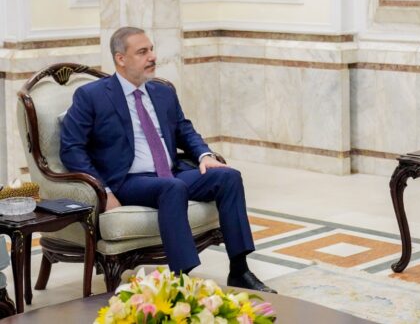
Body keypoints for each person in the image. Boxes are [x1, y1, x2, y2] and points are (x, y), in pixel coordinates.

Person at [60, 26, 276, 293]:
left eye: (151, 49)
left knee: (228, 177)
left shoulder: (162, 92)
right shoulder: (92, 96)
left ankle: (240, 270)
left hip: (171, 173)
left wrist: (205, 155)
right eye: (142, 52)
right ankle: (181, 280)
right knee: (172, 188)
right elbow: (71, 148)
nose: (152, 56)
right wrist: (103, 191)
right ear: (121, 58)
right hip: (128, 181)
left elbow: (185, 130)